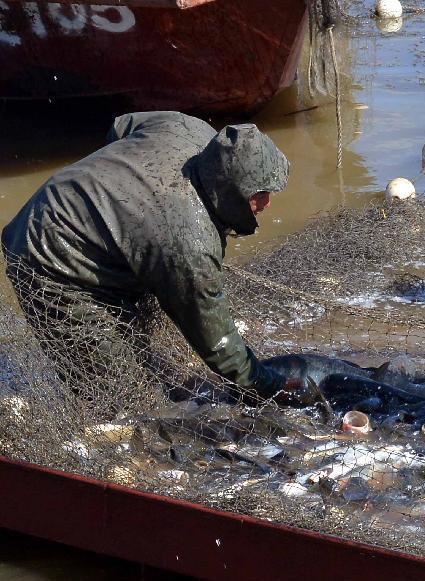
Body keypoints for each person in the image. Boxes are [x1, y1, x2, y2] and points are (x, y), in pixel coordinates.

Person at [2, 111, 301, 406]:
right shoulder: (189, 241)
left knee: (137, 345)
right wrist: (268, 384)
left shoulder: (189, 128)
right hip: (46, 256)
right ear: (228, 191)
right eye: (258, 194)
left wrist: (120, 187)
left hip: (63, 203)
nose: (267, 203)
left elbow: (121, 126)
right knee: (122, 398)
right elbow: (215, 340)